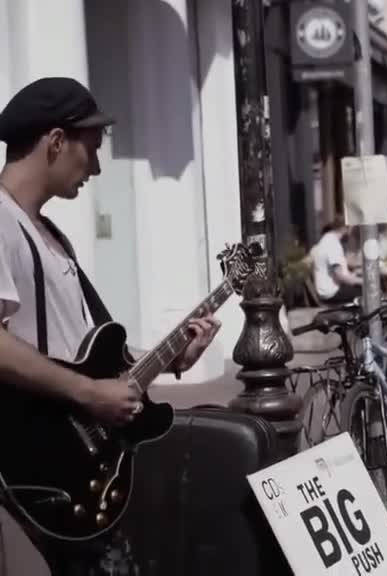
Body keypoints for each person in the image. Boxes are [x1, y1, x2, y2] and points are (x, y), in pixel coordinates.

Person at [0, 77, 220, 575]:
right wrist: (88, 394)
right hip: (39, 456)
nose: (97, 168)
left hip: (77, 455)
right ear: (56, 142)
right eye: (92, 150)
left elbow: (75, 346)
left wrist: (167, 356)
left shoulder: (49, 234)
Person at [311, 219, 363, 304]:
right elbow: (340, 276)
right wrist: (363, 281)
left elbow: (340, 268)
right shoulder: (332, 244)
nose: (351, 234)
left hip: (329, 289)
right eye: (350, 229)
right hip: (332, 292)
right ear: (344, 229)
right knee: (369, 292)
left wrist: (354, 275)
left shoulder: (328, 240)